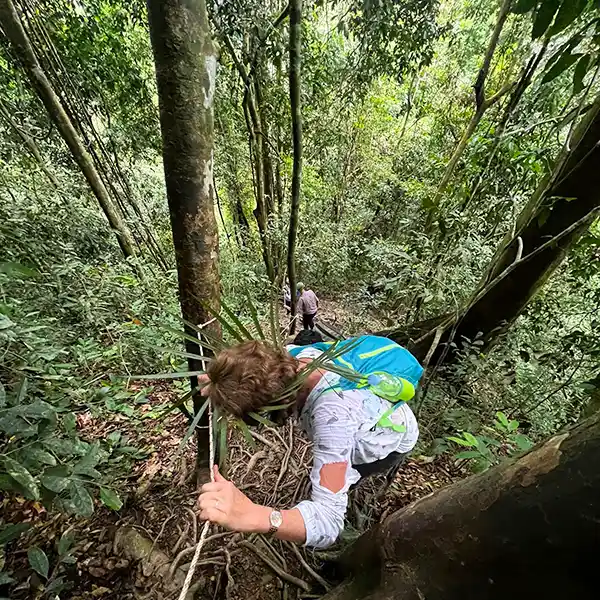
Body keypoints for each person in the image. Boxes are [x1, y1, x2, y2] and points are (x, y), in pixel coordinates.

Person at [196, 335, 422, 549]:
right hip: (369, 419)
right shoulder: (292, 357)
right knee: (336, 476)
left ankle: (350, 525)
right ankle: (337, 487)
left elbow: (328, 521)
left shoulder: (333, 421)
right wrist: (221, 381)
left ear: (266, 411)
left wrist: (253, 514)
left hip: (386, 443)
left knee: (349, 476)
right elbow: (250, 374)